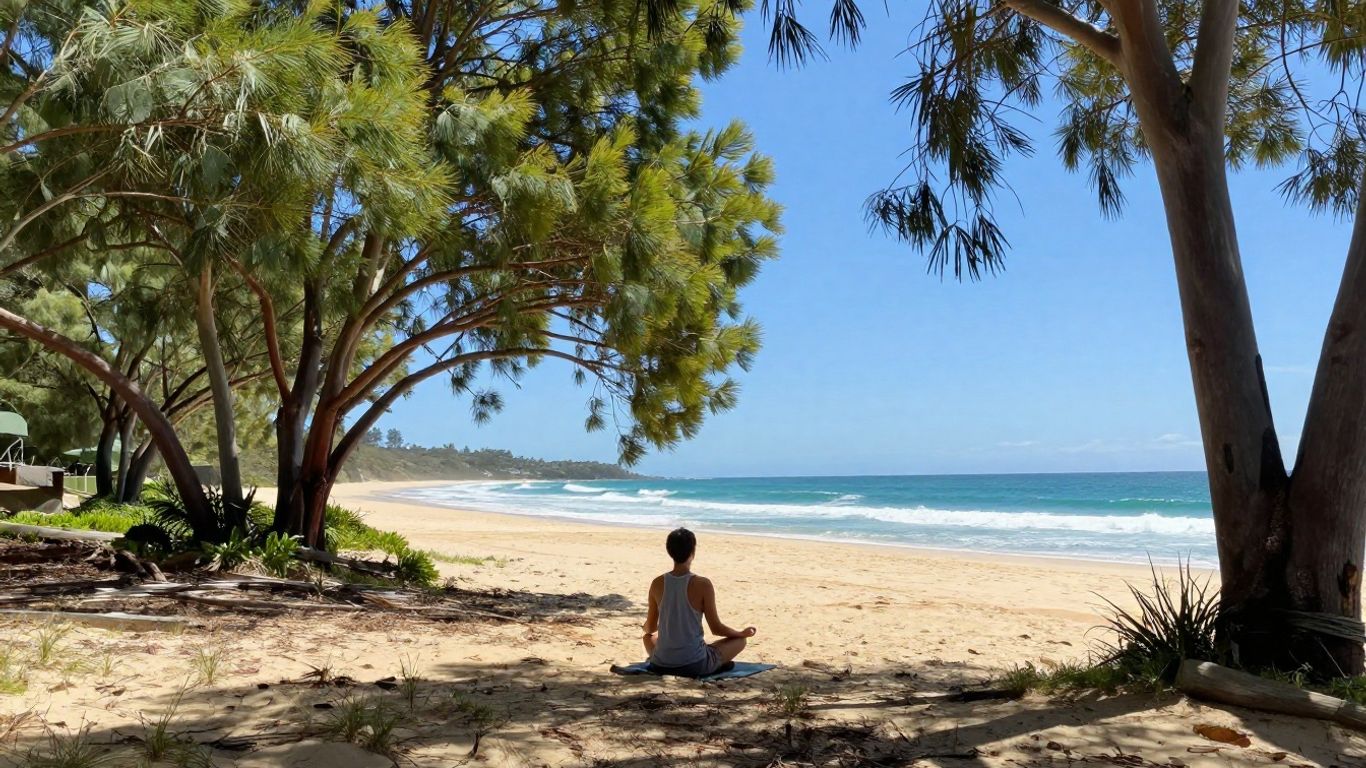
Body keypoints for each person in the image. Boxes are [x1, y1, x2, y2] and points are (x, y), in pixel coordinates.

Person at [642, 527, 756, 677]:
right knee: (740, 642)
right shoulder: (703, 584)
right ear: (692, 552)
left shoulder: (657, 583)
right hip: (694, 665)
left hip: (660, 664)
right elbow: (716, 628)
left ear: (669, 551)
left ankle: (670, 658)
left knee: (648, 638)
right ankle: (716, 664)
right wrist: (740, 633)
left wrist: (664, 627)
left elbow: (649, 628)